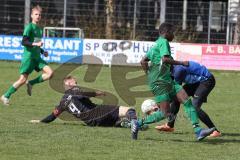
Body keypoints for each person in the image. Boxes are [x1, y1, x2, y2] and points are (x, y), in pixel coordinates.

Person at [140, 22, 214, 141]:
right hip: (161, 82)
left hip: (164, 81)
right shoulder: (164, 42)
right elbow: (165, 59)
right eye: (172, 33)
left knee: (186, 101)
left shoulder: (155, 44)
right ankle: (138, 123)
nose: (173, 36)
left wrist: (149, 74)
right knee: (165, 112)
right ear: (167, 32)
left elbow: (143, 61)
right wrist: (181, 63)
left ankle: (198, 131)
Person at [30, 76, 139, 140]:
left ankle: (124, 124)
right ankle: (134, 122)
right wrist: (97, 93)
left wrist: (40, 121)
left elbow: (52, 116)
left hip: (91, 123)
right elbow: (84, 94)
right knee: (130, 110)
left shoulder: (62, 103)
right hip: (98, 113)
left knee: (115, 121)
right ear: (68, 83)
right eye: (74, 82)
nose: (76, 83)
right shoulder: (75, 90)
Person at [1, 5, 53, 105]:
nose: (38, 16)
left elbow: (36, 44)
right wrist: (36, 44)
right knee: (22, 79)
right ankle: (5, 96)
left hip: (37, 58)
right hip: (28, 58)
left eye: (39, 15)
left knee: (50, 73)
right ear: (31, 16)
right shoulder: (29, 27)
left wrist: (42, 51)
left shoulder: (39, 29)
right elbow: (24, 42)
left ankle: (31, 83)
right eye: (36, 14)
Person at [156, 61, 221, 137]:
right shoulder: (172, 69)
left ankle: (215, 131)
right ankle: (170, 126)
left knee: (194, 107)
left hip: (206, 81)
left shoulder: (178, 71)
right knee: (176, 99)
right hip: (196, 83)